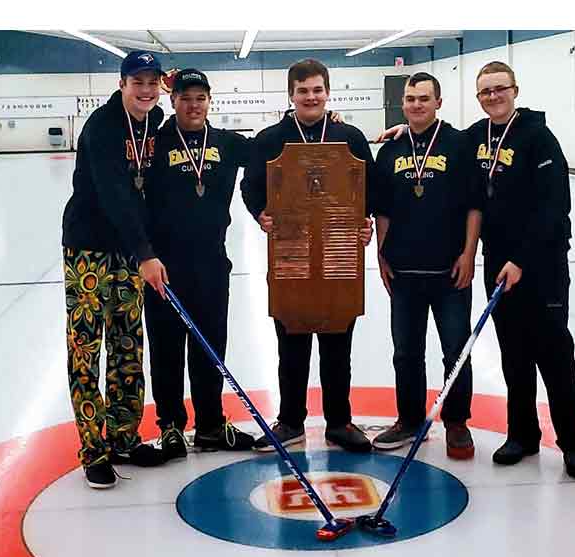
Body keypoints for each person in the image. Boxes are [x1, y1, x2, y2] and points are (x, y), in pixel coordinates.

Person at [241, 58, 375, 453]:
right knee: (292, 341)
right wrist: (260, 214)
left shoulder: (348, 135)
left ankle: (339, 421)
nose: (311, 97)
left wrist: (364, 221)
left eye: (317, 90)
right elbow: (251, 187)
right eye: (303, 91)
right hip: (290, 249)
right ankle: (290, 421)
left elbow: (369, 186)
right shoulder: (270, 138)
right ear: (291, 95)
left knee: (338, 342)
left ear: (328, 92)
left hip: (338, 251)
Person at [467, 61, 575, 478]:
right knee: (514, 355)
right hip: (498, 266)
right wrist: (401, 131)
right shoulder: (478, 136)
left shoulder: (539, 138)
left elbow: (554, 208)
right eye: (485, 91)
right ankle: (522, 434)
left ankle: (574, 443)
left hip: (541, 267)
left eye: (499, 89)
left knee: (554, 354)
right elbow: (441, 140)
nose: (492, 97)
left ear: (514, 90)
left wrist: (521, 259)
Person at [62, 51, 169, 489]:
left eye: (152, 81)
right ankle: (93, 450)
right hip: (89, 249)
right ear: (122, 83)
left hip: (127, 251)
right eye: (136, 81)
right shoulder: (102, 127)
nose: (145, 90)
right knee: (87, 349)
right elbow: (114, 195)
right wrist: (145, 253)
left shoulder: (153, 117)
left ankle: (124, 437)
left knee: (128, 344)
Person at [143, 69, 255, 458]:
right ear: (172, 101)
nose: (193, 105)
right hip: (164, 267)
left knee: (210, 348)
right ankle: (171, 427)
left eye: (200, 98)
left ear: (210, 101)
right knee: (166, 349)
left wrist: (334, 123)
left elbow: (274, 150)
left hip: (211, 264)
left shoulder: (225, 143)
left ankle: (210, 424)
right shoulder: (153, 143)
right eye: (185, 97)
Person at [370, 72, 482, 459]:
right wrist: (381, 254)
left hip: (450, 272)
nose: (416, 104)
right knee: (406, 353)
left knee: (455, 350)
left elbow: (474, 206)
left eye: (423, 98)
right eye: (410, 99)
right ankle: (409, 419)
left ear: (438, 102)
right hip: (403, 273)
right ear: (403, 104)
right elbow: (381, 210)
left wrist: (469, 254)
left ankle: (456, 422)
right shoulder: (390, 151)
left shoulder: (459, 144)